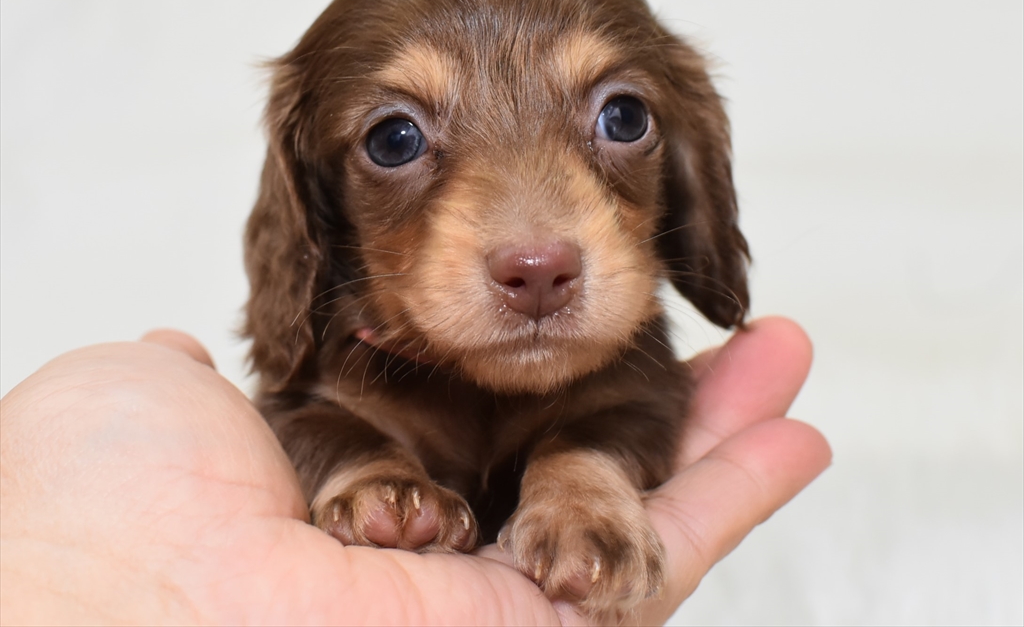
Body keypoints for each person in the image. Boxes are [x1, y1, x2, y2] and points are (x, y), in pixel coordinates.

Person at [0, 317, 829, 626]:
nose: (532, 247)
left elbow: (638, 410)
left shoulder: (629, 366)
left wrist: (584, 476)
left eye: (619, 122)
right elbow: (299, 412)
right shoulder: (339, 363)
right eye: (397, 141)